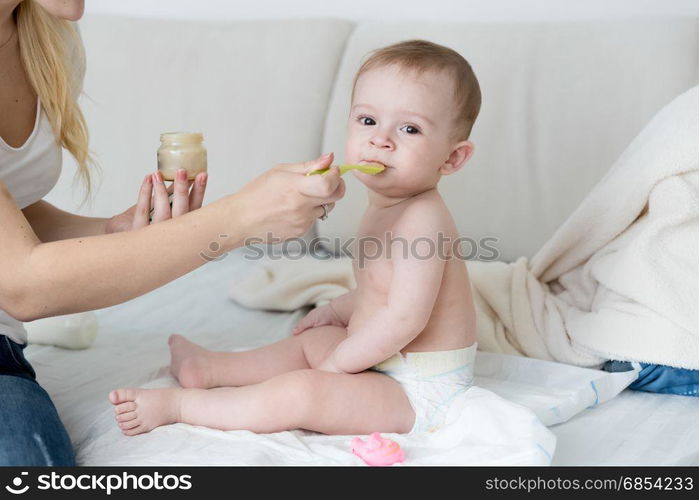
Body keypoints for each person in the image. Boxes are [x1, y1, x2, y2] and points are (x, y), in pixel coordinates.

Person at [0, 0, 345, 465]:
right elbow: (23, 284)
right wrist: (238, 219)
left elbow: (14, 214)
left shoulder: (47, 39)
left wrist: (113, 232)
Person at [109, 40, 482, 436]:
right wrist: (339, 312)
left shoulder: (423, 220)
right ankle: (212, 368)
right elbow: (383, 287)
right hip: (386, 359)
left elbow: (406, 316)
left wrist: (339, 366)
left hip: (417, 390)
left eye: (409, 129)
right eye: (368, 121)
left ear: (452, 158)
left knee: (306, 392)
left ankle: (182, 405)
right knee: (313, 341)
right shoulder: (387, 207)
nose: (380, 140)